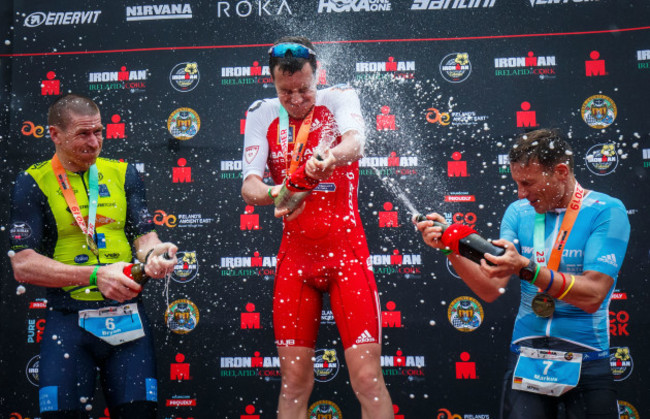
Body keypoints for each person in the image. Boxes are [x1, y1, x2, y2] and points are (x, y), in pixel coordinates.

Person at [416, 129, 630, 419]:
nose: (520, 193)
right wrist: (449, 249)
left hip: (587, 359)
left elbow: (593, 294)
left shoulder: (606, 210)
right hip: (527, 358)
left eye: (527, 183)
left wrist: (528, 268)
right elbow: (491, 288)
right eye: (516, 183)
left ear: (560, 172)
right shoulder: (518, 212)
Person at [241, 36, 394, 419]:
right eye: (285, 91)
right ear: (273, 82)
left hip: (348, 257)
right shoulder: (261, 112)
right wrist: (283, 190)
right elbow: (249, 187)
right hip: (296, 262)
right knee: (294, 382)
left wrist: (329, 158)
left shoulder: (339, 96)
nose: (295, 99)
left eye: (304, 89)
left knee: (367, 379)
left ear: (317, 75)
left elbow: (356, 144)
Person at [9, 94, 178, 419]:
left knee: (139, 414)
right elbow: (23, 263)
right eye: (83, 134)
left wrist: (157, 254)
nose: (94, 141)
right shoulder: (32, 182)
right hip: (69, 319)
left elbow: (144, 237)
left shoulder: (123, 173)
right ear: (55, 135)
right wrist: (94, 276)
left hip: (127, 318)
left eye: (99, 131)